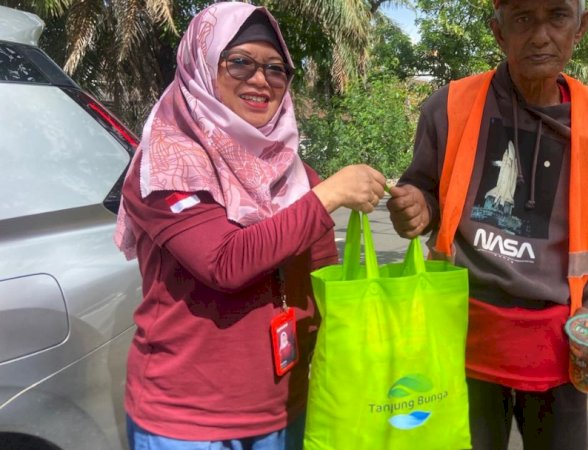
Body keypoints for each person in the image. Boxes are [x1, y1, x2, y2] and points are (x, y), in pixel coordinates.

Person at [113, 3, 386, 449]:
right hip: (190, 422)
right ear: (201, 65)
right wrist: (328, 197)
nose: (261, 80)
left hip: (285, 408)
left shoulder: (294, 172)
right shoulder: (166, 165)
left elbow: (320, 283)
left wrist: (413, 209)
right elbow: (224, 262)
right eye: (239, 61)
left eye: (276, 68)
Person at [386, 0, 588, 449]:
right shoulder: (449, 106)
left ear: (581, 27)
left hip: (560, 347)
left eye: (558, 16)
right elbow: (424, 190)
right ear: (499, 33)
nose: (540, 35)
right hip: (462, 338)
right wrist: (417, 207)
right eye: (522, 19)